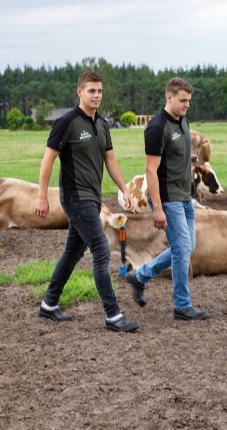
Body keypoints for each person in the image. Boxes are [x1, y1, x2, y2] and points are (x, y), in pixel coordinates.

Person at [35, 71, 139, 333]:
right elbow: (48, 160)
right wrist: (42, 196)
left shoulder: (102, 124)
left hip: (93, 197)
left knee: (73, 252)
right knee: (102, 251)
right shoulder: (67, 122)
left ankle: (49, 304)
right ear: (79, 92)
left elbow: (110, 160)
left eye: (100, 91)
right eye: (91, 91)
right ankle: (113, 315)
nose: (96, 95)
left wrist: (125, 189)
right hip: (75, 198)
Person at [124, 77, 209, 321]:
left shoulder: (183, 120)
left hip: (184, 197)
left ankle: (139, 276)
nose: (186, 105)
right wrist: (158, 208)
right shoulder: (156, 128)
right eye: (182, 101)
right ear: (168, 97)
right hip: (167, 198)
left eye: (189, 101)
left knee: (186, 247)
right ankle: (182, 305)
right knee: (182, 248)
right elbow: (151, 170)